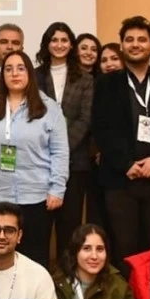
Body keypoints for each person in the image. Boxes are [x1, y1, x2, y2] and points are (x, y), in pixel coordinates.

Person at [92, 16, 150, 268]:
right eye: (129, 40)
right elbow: (101, 129)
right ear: (121, 45)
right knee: (124, 250)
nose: (136, 45)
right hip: (121, 180)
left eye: (142, 40)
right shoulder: (106, 84)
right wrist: (125, 163)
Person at [0, 51, 69, 267]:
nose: (14, 73)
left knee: (34, 258)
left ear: (30, 73)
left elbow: (60, 152)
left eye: (20, 68)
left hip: (35, 195)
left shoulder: (49, 109)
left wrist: (57, 188)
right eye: (8, 69)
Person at [35, 22, 95, 265]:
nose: (59, 45)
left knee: (69, 227)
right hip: (38, 163)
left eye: (64, 40)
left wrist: (60, 148)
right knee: (39, 228)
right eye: (54, 40)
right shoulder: (35, 76)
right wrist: (46, 150)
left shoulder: (86, 79)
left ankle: (66, 282)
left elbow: (85, 118)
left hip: (75, 162)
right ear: (46, 44)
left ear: (71, 45)